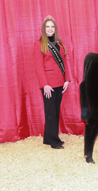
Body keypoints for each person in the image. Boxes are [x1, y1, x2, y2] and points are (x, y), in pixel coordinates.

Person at [33, 15, 71, 149]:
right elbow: (38, 67)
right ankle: (54, 141)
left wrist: (67, 80)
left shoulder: (59, 44)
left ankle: (48, 138)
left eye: (52, 27)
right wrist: (45, 85)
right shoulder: (39, 44)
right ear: (44, 29)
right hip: (48, 84)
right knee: (50, 112)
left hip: (60, 83)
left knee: (55, 110)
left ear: (55, 29)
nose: (50, 29)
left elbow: (64, 63)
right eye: (47, 27)